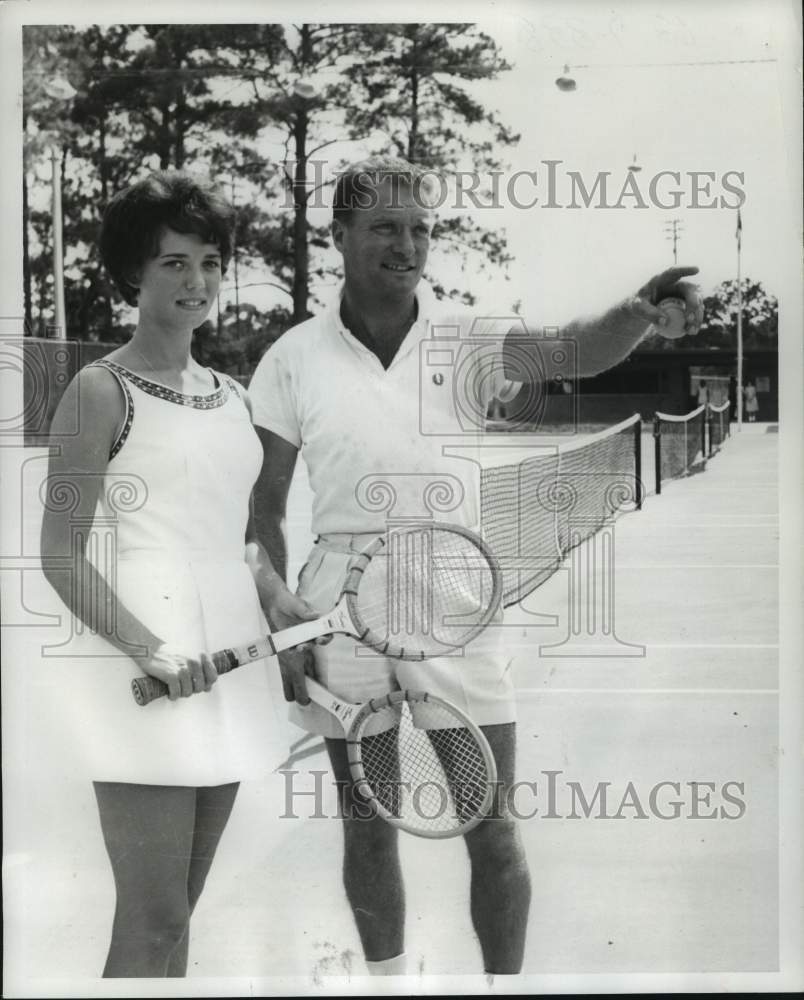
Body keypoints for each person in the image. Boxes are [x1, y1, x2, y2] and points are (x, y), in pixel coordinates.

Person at [248, 156, 704, 977]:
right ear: (340, 236)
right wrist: (277, 611)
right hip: (341, 613)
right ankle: (387, 987)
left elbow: (574, 347)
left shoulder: (467, 337)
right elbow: (263, 507)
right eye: (386, 226)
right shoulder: (291, 356)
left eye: (421, 228)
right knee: (367, 819)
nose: (408, 244)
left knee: (490, 824)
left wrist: (635, 314)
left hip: (458, 599)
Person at [39, 171, 318, 978]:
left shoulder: (230, 395)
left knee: (179, 919)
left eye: (208, 263)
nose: (196, 283)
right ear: (134, 273)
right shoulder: (98, 391)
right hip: (142, 675)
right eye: (173, 264)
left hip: (227, 666)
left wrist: (280, 604)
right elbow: (59, 551)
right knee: (154, 917)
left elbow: (237, 542)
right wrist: (148, 647)